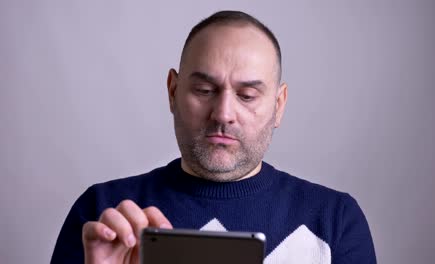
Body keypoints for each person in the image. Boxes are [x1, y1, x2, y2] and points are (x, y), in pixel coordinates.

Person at [51, 10, 376, 264]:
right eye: (204, 90)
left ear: (278, 106)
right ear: (173, 91)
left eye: (247, 95)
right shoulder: (105, 216)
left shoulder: (335, 221)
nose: (223, 113)